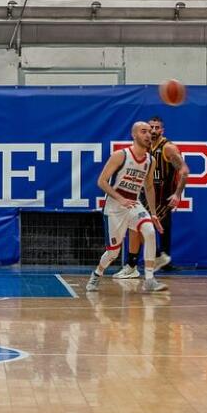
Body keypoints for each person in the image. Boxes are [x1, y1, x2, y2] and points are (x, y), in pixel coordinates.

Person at [87, 121, 167, 293]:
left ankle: (150, 279)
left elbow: (149, 187)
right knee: (113, 253)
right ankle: (97, 274)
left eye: (150, 131)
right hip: (115, 206)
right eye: (144, 131)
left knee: (150, 232)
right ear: (134, 135)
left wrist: (153, 214)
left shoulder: (150, 160)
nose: (149, 134)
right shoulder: (120, 155)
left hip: (134, 204)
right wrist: (120, 198)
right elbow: (101, 182)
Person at [116, 115, 189, 278]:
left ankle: (140, 263)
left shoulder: (168, 148)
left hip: (163, 198)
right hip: (145, 194)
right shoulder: (144, 147)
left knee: (149, 230)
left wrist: (177, 194)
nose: (153, 131)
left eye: (157, 128)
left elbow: (184, 172)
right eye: (151, 128)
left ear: (162, 130)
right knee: (138, 228)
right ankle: (148, 260)